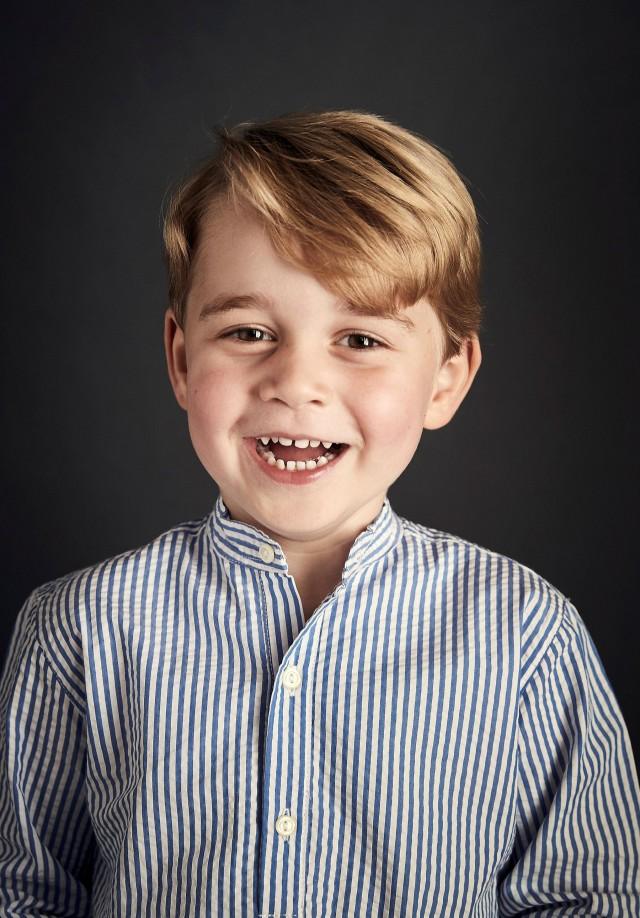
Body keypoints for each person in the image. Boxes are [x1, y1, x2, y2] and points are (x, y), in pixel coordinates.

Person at [1, 110, 638, 917]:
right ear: (181, 359)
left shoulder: (526, 636)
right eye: (249, 330)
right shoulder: (80, 631)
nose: (296, 384)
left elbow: (587, 898)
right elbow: (25, 894)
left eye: (361, 340)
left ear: (445, 378)